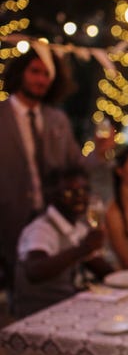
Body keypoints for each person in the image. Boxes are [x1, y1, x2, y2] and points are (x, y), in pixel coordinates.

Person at [0, 47, 82, 300]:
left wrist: (100, 154)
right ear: (19, 73)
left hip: (51, 218)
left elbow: (75, 166)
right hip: (7, 219)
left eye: (47, 74)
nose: (41, 80)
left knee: (51, 290)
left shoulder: (57, 119)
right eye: (35, 71)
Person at [12, 166, 114, 318]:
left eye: (84, 190)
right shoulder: (41, 229)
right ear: (52, 196)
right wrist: (83, 248)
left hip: (70, 306)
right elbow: (34, 272)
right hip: (41, 315)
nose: (80, 197)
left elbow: (100, 268)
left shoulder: (78, 227)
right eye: (69, 192)